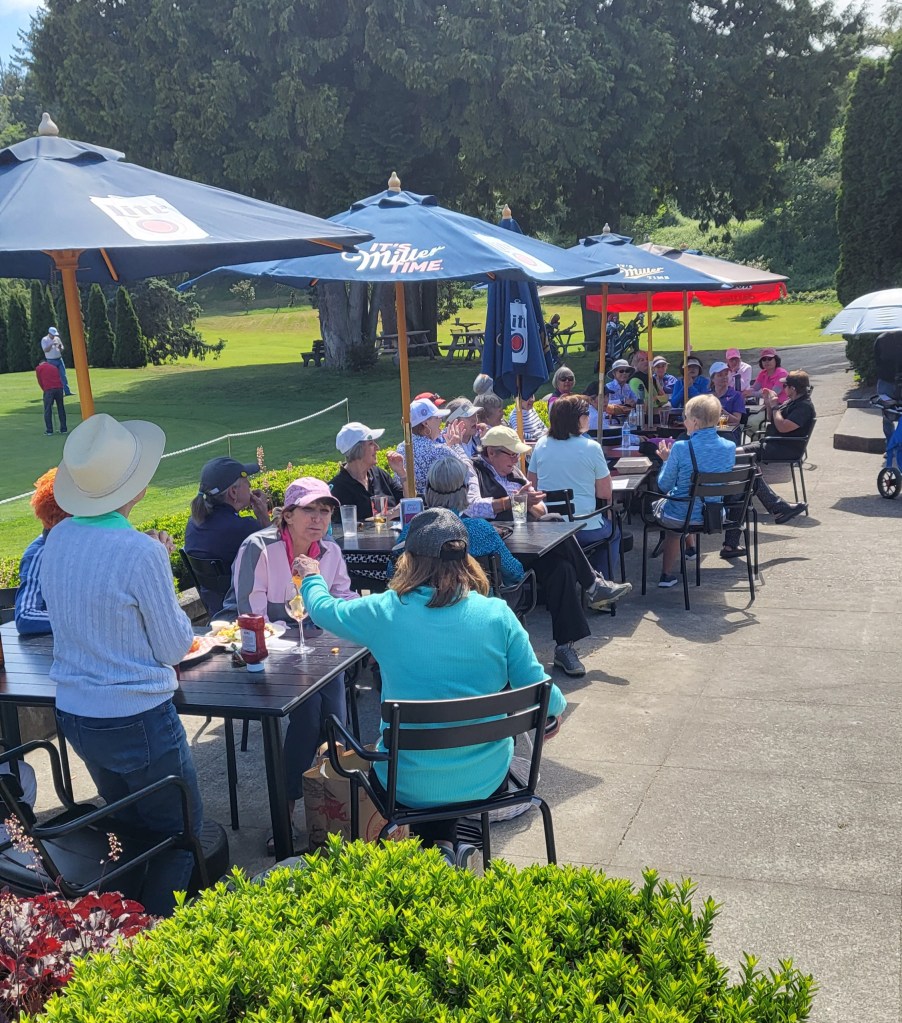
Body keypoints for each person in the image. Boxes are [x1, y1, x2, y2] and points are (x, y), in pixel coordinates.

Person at [294, 507, 567, 867]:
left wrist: (312, 576)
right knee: (447, 764)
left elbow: (324, 610)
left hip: (404, 784)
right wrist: (551, 717)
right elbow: (547, 696)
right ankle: (446, 846)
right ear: (466, 559)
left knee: (416, 769)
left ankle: (439, 849)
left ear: (408, 559)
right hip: (485, 779)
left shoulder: (385, 612)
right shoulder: (498, 614)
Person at [40, 413, 201, 916]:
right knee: (179, 833)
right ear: (136, 485)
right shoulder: (139, 553)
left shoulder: (57, 538)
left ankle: (122, 929)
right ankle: (156, 939)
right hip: (136, 715)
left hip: (77, 712)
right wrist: (159, 566)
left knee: (128, 829)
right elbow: (174, 646)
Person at [232, 476, 357, 851]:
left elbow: (344, 596)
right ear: (287, 515)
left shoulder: (329, 551)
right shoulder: (258, 547)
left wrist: (357, 614)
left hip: (319, 651)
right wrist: (299, 629)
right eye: (309, 510)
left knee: (333, 716)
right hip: (269, 653)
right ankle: (288, 812)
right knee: (309, 714)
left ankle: (330, 809)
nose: (319, 518)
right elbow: (250, 613)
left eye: (325, 511)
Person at [472, 425, 630, 677]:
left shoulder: (514, 472)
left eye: (517, 454)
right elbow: (472, 507)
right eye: (510, 454)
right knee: (557, 533)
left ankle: (565, 647)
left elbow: (542, 510)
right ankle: (592, 584)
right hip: (498, 549)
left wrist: (529, 505)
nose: (515, 459)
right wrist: (511, 502)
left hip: (526, 542)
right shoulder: (474, 470)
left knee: (561, 564)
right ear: (491, 453)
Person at [391, 457, 524, 586]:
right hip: (473, 599)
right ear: (465, 491)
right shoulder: (480, 529)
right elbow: (515, 573)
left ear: (427, 490)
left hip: (421, 600)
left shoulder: (412, 529)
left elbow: (392, 573)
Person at [721, 370, 813, 553]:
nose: (784, 388)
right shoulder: (793, 401)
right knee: (739, 464)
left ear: (793, 389)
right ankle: (776, 507)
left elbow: (783, 427)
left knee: (738, 461)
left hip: (783, 447)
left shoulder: (804, 407)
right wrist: (770, 406)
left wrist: (776, 406)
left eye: (786, 386)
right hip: (772, 443)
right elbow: (773, 421)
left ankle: (775, 507)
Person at [528, 395, 621, 576]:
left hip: (549, 526)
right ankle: (601, 582)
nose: (589, 416)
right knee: (613, 533)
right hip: (583, 526)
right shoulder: (591, 447)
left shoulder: (540, 445)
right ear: (578, 419)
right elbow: (604, 493)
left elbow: (532, 485)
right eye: (586, 413)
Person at [653, 394, 737, 587]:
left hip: (682, 515)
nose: (684, 422)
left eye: (685, 418)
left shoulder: (681, 447)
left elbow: (664, 485)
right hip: (714, 513)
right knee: (689, 499)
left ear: (695, 422)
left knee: (675, 517)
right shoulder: (729, 446)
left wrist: (665, 461)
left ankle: (666, 575)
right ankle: (690, 549)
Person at [184, 456, 271, 614]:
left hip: (216, 611)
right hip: (248, 613)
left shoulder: (193, 524)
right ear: (233, 492)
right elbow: (278, 555)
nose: (250, 485)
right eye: (246, 481)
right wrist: (263, 516)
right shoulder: (244, 529)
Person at [14, 469, 69, 636]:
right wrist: (76, 621)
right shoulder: (39, 555)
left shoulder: (84, 546)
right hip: (51, 648)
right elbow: (25, 616)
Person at [329, 421, 404, 523]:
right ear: (357, 450)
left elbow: (409, 501)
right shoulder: (338, 489)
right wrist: (391, 513)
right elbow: (348, 526)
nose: (377, 448)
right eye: (371, 444)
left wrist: (402, 473)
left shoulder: (379, 474)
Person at [708, 360, 745, 439]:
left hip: (728, 433)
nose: (724, 377)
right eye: (720, 375)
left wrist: (721, 411)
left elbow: (736, 421)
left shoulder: (736, 395)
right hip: (709, 431)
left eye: (726, 374)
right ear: (712, 379)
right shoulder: (706, 396)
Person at [35, 359, 67, 436]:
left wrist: (44, 389)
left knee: (48, 409)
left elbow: (40, 381)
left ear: (40, 363)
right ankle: (64, 429)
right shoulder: (54, 367)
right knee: (61, 408)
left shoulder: (39, 368)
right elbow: (59, 377)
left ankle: (49, 430)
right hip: (59, 388)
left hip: (49, 390)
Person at [40, 327, 73, 397]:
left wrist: (60, 347)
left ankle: (67, 391)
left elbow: (62, 348)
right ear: (49, 333)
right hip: (51, 360)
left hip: (59, 359)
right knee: (54, 377)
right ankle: (57, 393)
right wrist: (51, 344)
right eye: (53, 335)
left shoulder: (57, 339)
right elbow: (45, 350)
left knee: (63, 375)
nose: (54, 336)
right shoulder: (44, 339)